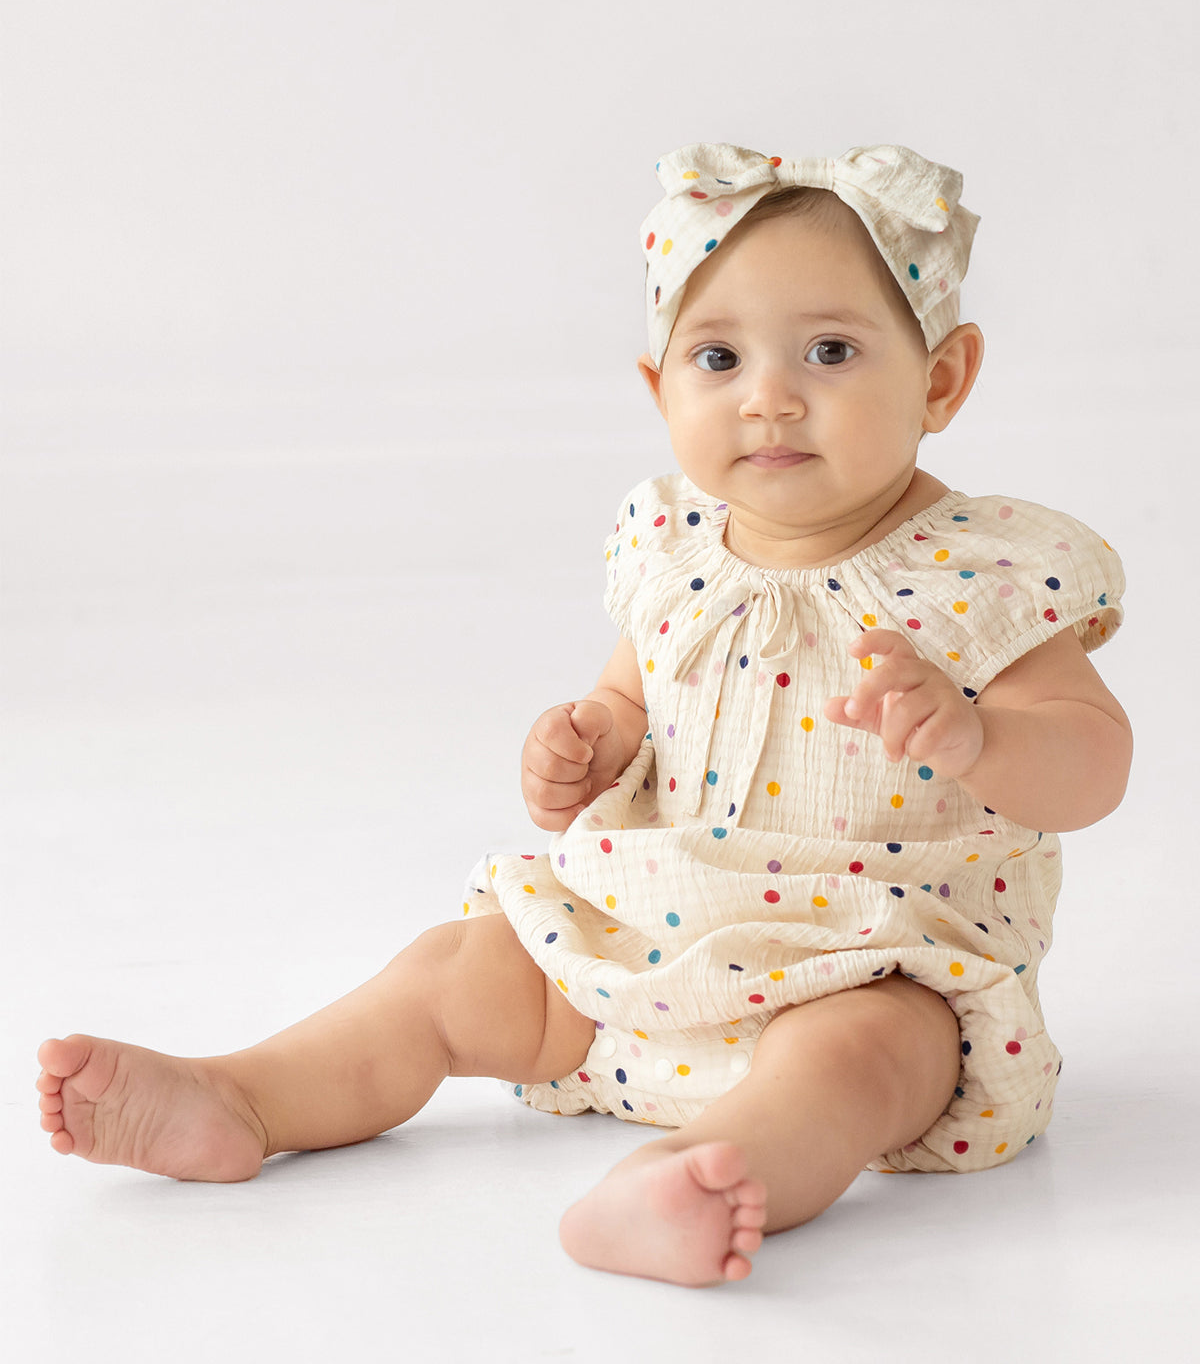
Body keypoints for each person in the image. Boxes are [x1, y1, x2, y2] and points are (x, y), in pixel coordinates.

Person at [35, 142, 1132, 1288]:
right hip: (640, 951)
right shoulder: (675, 547)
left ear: (943, 380)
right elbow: (628, 694)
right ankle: (245, 1094)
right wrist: (591, 738)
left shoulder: (982, 575)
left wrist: (981, 738)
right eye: (718, 356)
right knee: (454, 967)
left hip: (870, 959)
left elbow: (1097, 760)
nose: (769, 394)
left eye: (831, 349)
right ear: (662, 391)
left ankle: (702, 1170)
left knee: (860, 1060)